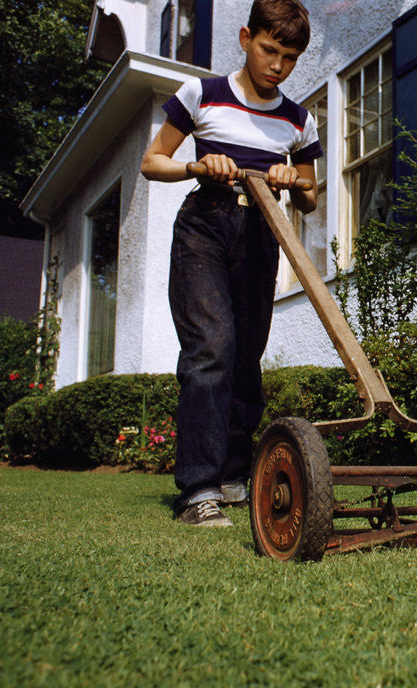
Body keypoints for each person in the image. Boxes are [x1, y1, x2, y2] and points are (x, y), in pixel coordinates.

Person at [140, 0, 321, 526]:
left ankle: (232, 476)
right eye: (269, 50)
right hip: (206, 226)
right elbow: (152, 161)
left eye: (289, 57)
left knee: (246, 358)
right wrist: (200, 164)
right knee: (211, 346)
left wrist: (295, 183)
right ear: (246, 37)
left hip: (263, 230)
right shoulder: (202, 94)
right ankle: (197, 489)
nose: (277, 66)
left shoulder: (298, 119)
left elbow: (310, 198)